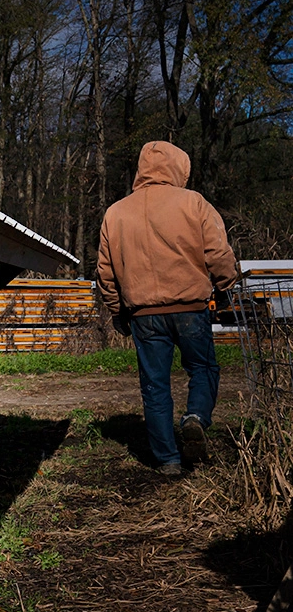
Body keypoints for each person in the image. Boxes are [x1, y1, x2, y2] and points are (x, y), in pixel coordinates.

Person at [96, 141, 238, 476]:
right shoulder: (194, 203)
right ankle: (196, 418)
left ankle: (168, 461)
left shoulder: (116, 213)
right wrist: (227, 288)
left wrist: (118, 312)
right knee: (202, 369)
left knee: (154, 386)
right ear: (179, 167)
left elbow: (105, 272)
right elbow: (218, 253)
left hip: (143, 315)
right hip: (190, 307)